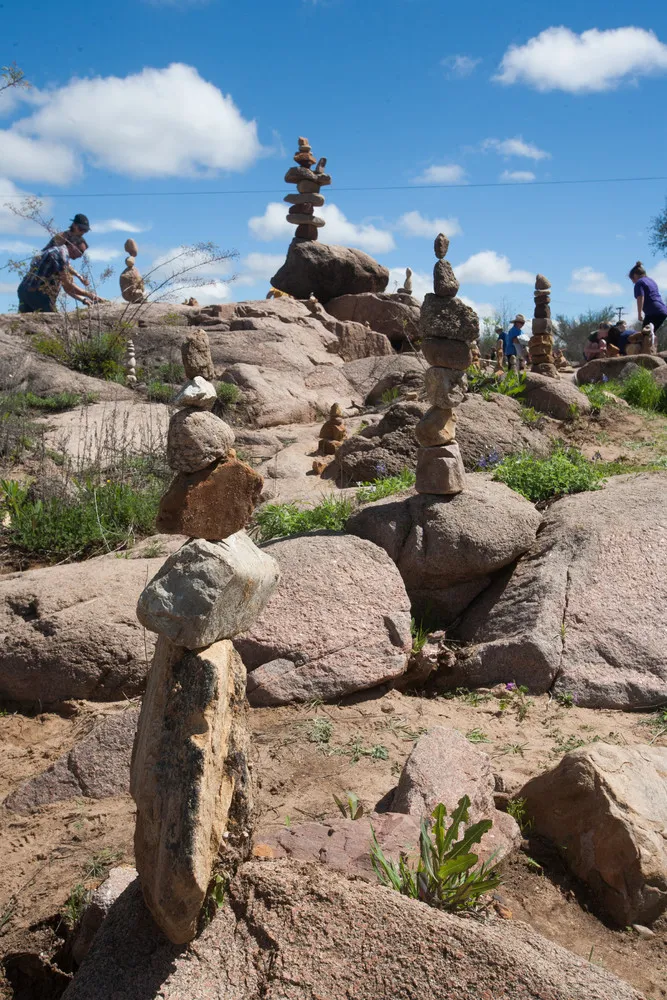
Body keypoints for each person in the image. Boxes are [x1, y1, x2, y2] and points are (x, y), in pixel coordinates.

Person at [17, 236, 102, 313]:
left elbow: (68, 286)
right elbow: (67, 286)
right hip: (35, 293)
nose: (80, 256)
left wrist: (83, 299)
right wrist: (89, 294)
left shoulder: (60, 253)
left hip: (24, 290)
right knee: (51, 322)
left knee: (27, 324)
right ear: (73, 245)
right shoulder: (61, 255)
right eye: (81, 251)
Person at [628, 261, 667, 335]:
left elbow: (640, 297)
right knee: (649, 334)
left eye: (632, 279)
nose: (633, 282)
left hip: (653, 312)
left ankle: (650, 345)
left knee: (644, 336)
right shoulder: (651, 281)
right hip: (662, 310)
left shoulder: (639, 282)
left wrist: (639, 314)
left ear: (635, 275)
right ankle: (652, 344)